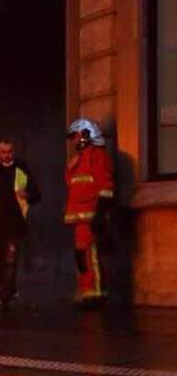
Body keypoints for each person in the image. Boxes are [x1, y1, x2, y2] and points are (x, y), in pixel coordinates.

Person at [0, 139, 41, 308]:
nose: (7, 155)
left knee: (11, 260)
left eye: (9, 151)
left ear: (13, 152)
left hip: (15, 225)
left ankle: (5, 294)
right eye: (3, 152)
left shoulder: (21, 167)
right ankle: (9, 287)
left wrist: (28, 194)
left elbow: (36, 194)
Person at [65, 117, 114, 308]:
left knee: (90, 256)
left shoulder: (98, 155)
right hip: (79, 217)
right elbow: (72, 184)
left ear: (87, 134)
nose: (74, 141)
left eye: (76, 136)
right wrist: (71, 167)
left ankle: (97, 294)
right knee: (81, 257)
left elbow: (106, 185)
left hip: (91, 215)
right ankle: (87, 293)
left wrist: (100, 213)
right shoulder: (79, 158)